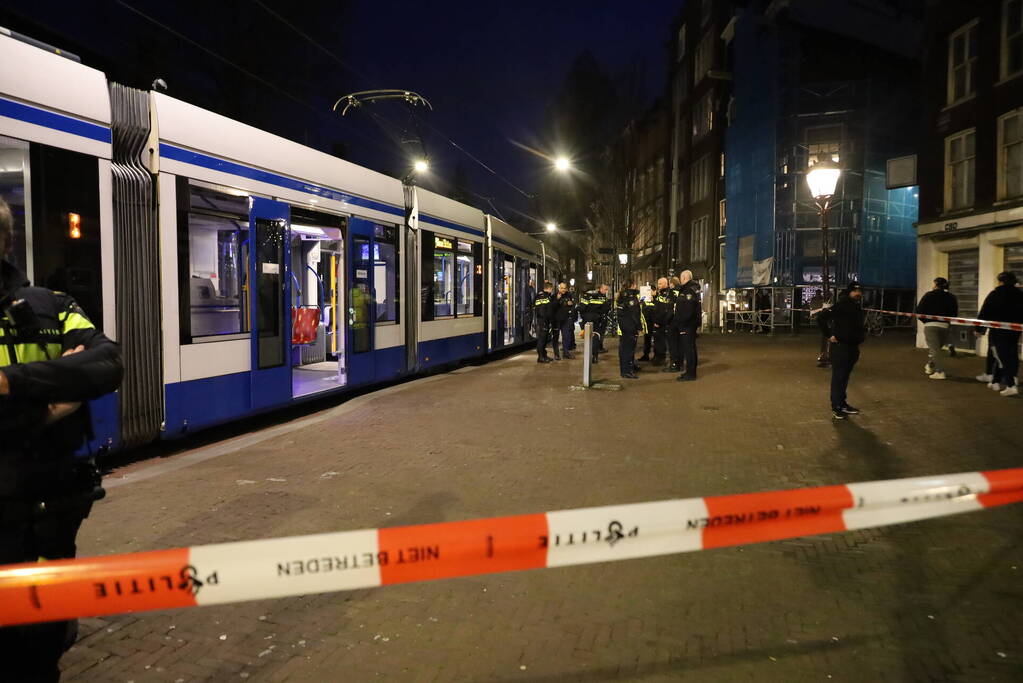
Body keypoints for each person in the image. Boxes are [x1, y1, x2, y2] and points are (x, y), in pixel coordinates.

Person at [0, 197, 123, 681]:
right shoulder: (56, 314)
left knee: (41, 637)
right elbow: (85, 369)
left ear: (6, 243)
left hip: (51, 506)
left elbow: (106, 363)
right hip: (39, 498)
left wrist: (11, 384)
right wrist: (50, 407)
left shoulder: (50, 305)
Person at [818, 281, 866, 419]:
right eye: (855, 290)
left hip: (851, 347)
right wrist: (829, 335)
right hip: (841, 348)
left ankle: (842, 404)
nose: (858, 293)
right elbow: (822, 318)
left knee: (844, 378)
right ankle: (837, 407)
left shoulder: (855, 306)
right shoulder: (842, 304)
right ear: (849, 292)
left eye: (860, 291)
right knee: (839, 378)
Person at [976, 271, 1023, 397]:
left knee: (1001, 356)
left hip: (998, 330)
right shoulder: (1020, 294)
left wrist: (979, 329)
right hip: (1015, 330)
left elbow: (985, 312)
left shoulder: (996, 294)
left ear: (1001, 281)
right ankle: (1000, 380)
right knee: (1011, 354)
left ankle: (1010, 385)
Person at [915, 277, 958, 380]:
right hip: (945, 326)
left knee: (934, 350)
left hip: (931, 326)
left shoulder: (928, 295)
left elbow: (919, 311)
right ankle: (930, 366)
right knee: (936, 350)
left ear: (936, 284)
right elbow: (954, 313)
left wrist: (926, 321)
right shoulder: (951, 297)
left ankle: (940, 372)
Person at [673, 270, 702, 382]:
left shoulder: (689, 291)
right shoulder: (692, 289)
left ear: (685, 278)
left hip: (687, 325)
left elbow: (687, 310)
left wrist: (681, 322)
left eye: (681, 278)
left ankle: (691, 373)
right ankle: (690, 371)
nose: (680, 280)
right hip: (689, 324)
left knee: (688, 349)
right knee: (691, 348)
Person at [615, 282, 643, 379]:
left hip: (624, 327)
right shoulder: (631, 297)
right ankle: (627, 371)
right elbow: (634, 314)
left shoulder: (622, 296)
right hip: (630, 327)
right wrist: (639, 327)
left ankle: (626, 369)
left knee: (624, 349)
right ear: (632, 285)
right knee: (628, 350)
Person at [579, 284, 611, 362]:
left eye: (606, 289)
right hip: (597, 320)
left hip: (587, 320)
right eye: (605, 289)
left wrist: (584, 317)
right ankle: (595, 357)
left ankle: (588, 356)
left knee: (588, 338)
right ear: (598, 289)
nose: (606, 291)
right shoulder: (602, 298)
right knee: (596, 337)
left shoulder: (585, 296)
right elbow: (606, 309)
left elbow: (582, 308)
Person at [662, 276, 683, 373]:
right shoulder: (682, 292)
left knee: (672, 345)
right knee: (679, 344)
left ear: (672, 284)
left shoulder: (671, 293)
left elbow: (669, 309)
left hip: (672, 322)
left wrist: (665, 321)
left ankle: (674, 365)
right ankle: (680, 363)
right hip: (680, 321)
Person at [552, 282, 577, 360]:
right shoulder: (554, 296)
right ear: (558, 288)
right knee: (556, 338)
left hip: (566, 320)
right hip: (556, 320)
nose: (563, 290)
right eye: (561, 288)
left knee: (566, 337)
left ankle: (566, 353)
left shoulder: (569, 296)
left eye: (564, 288)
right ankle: (556, 354)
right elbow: (552, 307)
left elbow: (573, 306)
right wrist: (557, 299)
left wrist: (571, 305)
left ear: (566, 288)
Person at [533, 281, 556, 363]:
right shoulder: (543, 296)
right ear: (549, 288)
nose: (552, 290)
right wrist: (547, 320)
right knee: (542, 339)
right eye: (551, 289)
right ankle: (541, 357)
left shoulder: (544, 296)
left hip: (544, 320)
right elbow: (543, 310)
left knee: (544, 339)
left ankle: (544, 355)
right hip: (543, 321)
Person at [638, 288, 657, 362]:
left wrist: (654, 299)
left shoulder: (657, 298)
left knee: (656, 341)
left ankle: (657, 356)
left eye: (651, 291)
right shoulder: (644, 298)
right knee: (647, 340)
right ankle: (646, 355)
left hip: (655, 323)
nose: (650, 293)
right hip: (647, 323)